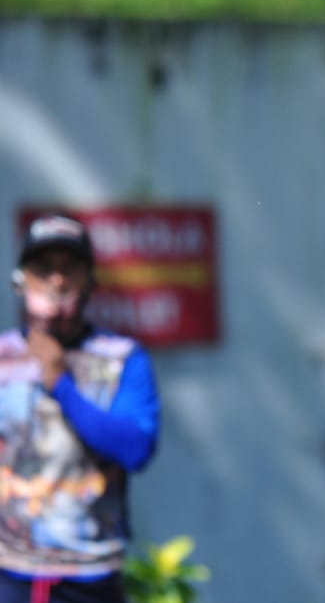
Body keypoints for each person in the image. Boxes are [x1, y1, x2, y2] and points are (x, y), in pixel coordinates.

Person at [2, 214, 161, 603]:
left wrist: (60, 382)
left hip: (91, 574)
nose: (57, 281)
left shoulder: (121, 359)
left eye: (70, 268)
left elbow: (135, 448)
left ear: (90, 281)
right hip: (11, 571)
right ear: (21, 281)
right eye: (44, 269)